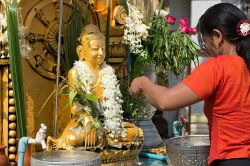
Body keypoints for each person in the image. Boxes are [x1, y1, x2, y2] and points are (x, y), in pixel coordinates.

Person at [129, 3, 250, 166]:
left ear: (217, 36)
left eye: (204, 42)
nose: (205, 48)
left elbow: (165, 100)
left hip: (231, 159)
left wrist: (142, 81)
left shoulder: (218, 67)